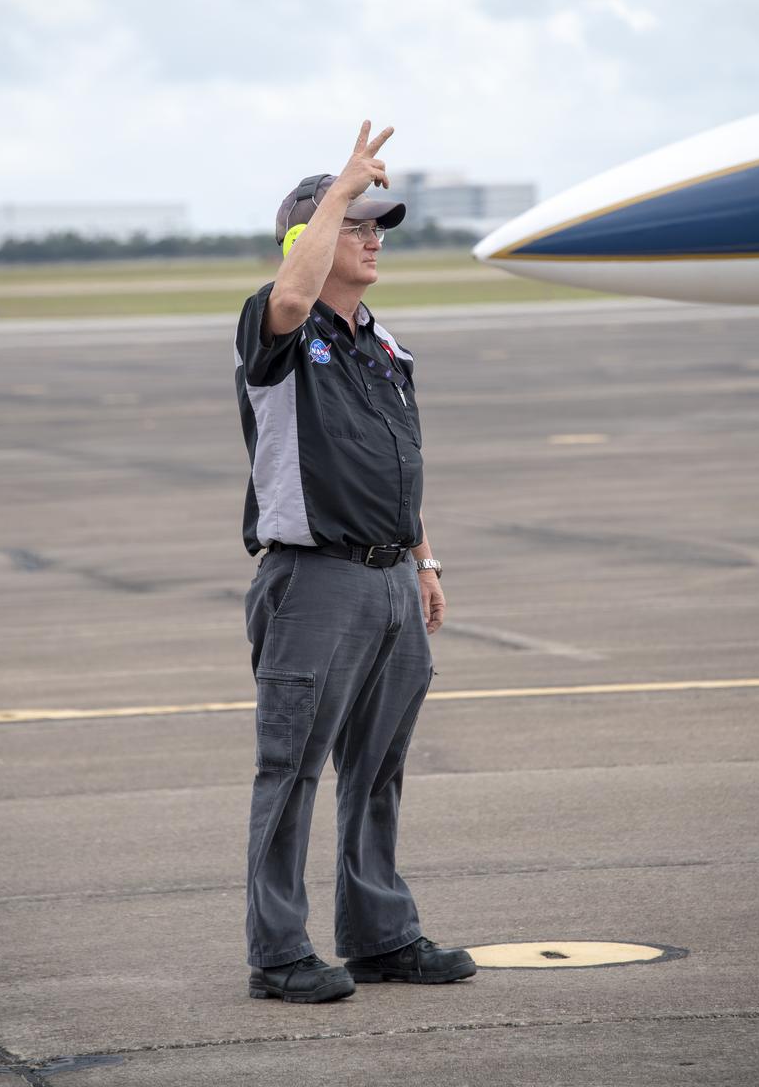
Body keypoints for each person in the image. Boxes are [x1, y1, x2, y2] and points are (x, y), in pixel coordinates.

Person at [233, 120, 477, 1003]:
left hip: (388, 581)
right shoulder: (277, 327)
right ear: (309, 239)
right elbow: (291, 304)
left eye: (378, 225)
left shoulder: (382, 344)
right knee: (291, 770)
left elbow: (398, 457)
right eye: (357, 224)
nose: (374, 239)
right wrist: (333, 192)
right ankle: (279, 954)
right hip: (313, 581)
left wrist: (423, 559)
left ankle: (379, 936)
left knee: (377, 768)